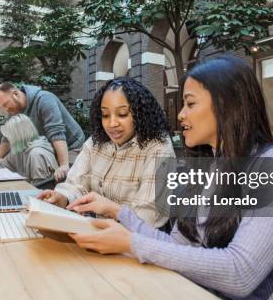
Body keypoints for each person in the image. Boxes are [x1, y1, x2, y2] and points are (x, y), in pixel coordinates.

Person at [65, 57, 273, 300]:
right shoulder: (206, 168)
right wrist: (119, 214)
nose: (180, 115)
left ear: (227, 105)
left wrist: (132, 243)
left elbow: (241, 273)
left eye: (190, 104)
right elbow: (178, 245)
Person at [38, 77, 175, 229]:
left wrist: (112, 210)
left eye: (122, 114)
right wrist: (63, 197)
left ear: (140, 114)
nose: (112, 124)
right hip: (95, 232)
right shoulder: (97, 141)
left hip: (136, 244)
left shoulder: (159, 148)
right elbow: (76, 183)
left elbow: (149, 217)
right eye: (105, 115)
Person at [0, 83, 85, 181]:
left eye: (6, 104)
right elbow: (7, 137)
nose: (6, 110)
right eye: (2, 107)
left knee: (64, 178)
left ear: (16, 94)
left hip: (71, 146)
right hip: (49, 147)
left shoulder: (45, 99)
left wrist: (63, 165)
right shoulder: (14, 109)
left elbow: (56, 132)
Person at [0, 114, 58, 184]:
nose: (8, 139)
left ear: (18, 135)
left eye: (10, 135)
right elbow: (1, 164)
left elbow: (41, 189)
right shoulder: (20, 149)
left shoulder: (37, 154)